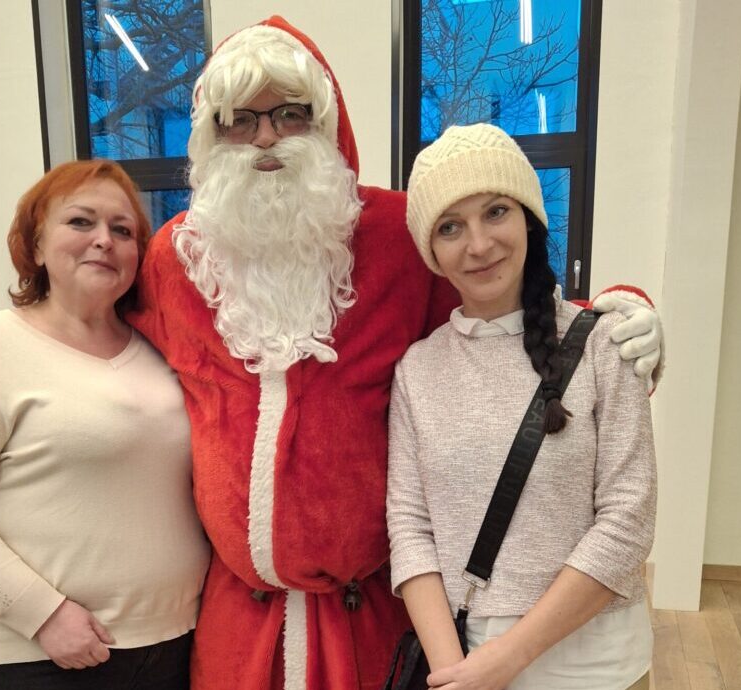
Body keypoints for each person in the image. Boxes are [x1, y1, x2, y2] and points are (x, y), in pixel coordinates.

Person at [129, 16, 662, 690]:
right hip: (240, 620)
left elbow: (500, 305)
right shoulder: (175, 260)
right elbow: (99, 334)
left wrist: (622, 307)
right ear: (209, 134)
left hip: (371, 615)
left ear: (325, 126)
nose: (265, 137)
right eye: (240, 119)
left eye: (290, 114)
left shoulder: (392, 240)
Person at [0, 160, 210, 690]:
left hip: (174, 640)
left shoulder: (161, 353)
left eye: (122, 230)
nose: (104, 240)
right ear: (35, 246)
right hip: (41, 655)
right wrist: (44, 615)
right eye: (81, 222)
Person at [387, 124, 655, 690]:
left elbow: (628, 520)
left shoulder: (607, 343)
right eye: (450, 227)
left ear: (529, 218)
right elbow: (410, 528)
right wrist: (450, 669)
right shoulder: (418, 371)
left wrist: (509, 657)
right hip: (464, 660)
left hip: (598, 661)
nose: (479, 244)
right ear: (431, 252)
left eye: (496, 212)